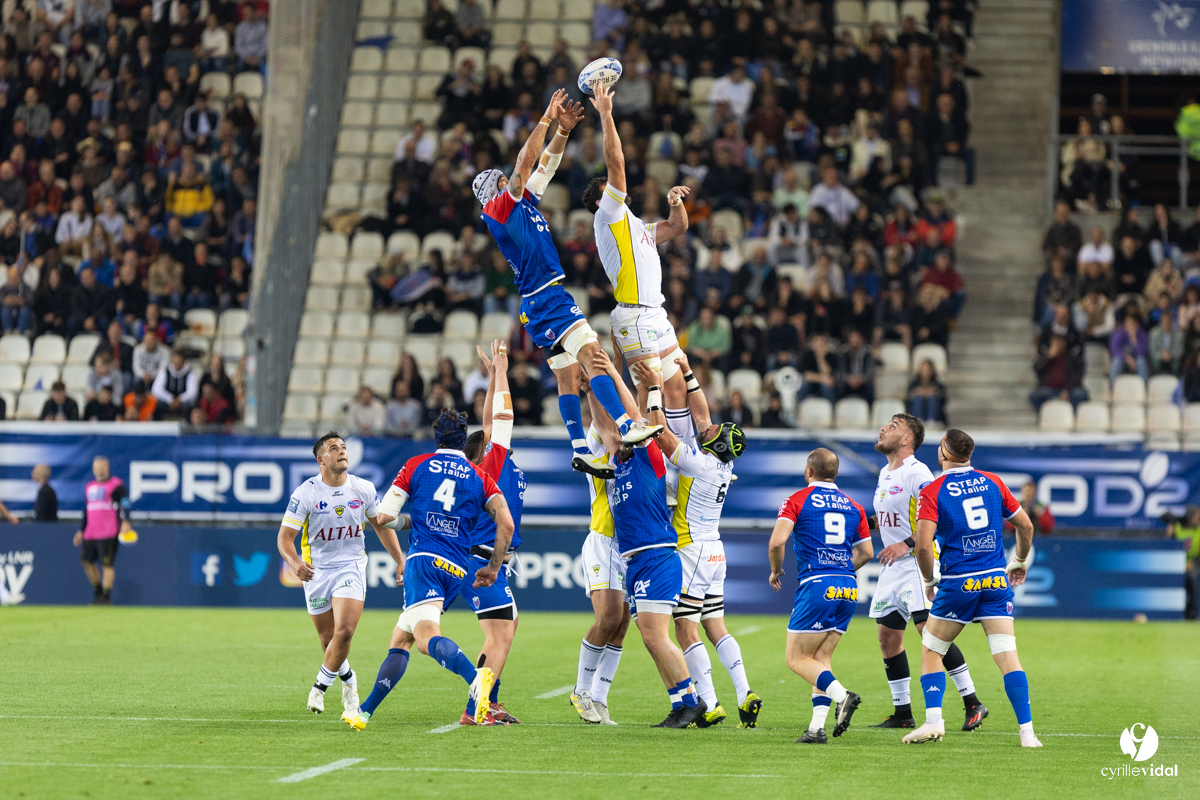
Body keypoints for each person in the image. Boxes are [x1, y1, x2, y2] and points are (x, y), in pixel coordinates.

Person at [474, 89, 660, 477]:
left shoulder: (519, 207)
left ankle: (579, 448)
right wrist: (545, 118)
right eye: (506, 179)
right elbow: (526, 162)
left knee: (568, 375)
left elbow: (544, 167)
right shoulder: (500, 208)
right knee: (595, 358)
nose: (513, 179)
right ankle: (627, 425)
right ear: (498, 187)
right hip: (549, 298)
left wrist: (562, 131)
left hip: (534, 305)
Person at [343, 410, 515, 731]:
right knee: (402, 638)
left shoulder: (416, 465)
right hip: (457, 567)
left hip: (423, 560)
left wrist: (415, 520)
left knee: (424, 639)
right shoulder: (479, 476)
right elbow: (506, 524)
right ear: (463, 440)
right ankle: (363, 712)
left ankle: (477, 680)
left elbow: (383, 517)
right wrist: (493, 568)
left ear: (435, 438)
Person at [632, 355, 763, 729]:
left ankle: (711, 702)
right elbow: (702, 415)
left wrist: (654, 388)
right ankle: (745, 693)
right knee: (716, 626)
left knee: (685, 629)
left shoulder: (697, 463)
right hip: (715, 550)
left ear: (717, 443)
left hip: (692, 550)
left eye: (715, 430)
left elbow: (660, 433)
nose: (708, 426)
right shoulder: (723, 462)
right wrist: (687, 372)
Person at [903, 429, 1042, 747]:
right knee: (1007, 656)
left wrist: (929, 580)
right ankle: (1027, 733)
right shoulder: (993, 482)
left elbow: (923, 547)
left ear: (943, 452)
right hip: (995, 580)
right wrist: (1019, 560)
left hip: (958, 582)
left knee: (931, 648)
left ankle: (933, 722)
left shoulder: (933, 490)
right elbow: (1025, 525)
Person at [583, 82, 693, 434]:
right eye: (609, 190)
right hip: (633, 315)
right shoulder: (607, 216)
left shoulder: (637, 227)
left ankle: (679, 454)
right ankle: (646, 455)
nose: (618, 189)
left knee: (676, 390)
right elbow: (616, 162)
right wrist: (605, 113)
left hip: (655, 313)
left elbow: (676, 227)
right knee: (649, 392)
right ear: (600, 202)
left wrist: (675, 203)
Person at [867, 414, 988, 731]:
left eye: (893, 426)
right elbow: (891, 518)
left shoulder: (917, 472)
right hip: (893, 566)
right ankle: (902, 713)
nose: (884, 428)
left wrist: (906, 543)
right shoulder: (885, 472)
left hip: (917, 562)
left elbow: (935, 514)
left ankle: (972, 702)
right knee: (887, 637)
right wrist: (864, 524)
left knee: (930, 633)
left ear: (907, 440)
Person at [277, 433, 407, 718]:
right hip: (316, 572)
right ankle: (349, 681)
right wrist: (295, 562)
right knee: (329, 641)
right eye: (334, 448)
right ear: (321, 460)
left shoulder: (363, 488)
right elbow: (285, 537)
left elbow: (381, 525)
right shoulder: (306, 493)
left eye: (344, 447)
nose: (342, 451)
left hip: (351, 566)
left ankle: (319, 688)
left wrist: (400, 559)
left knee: (345, 631)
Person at [768, 448, 874, 744]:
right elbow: (867, 552)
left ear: (809, 471)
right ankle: (816, 729)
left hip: (817, 584)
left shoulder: (797, 500)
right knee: (820, 658)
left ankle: (843, 696)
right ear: (836, 473)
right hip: (848, 585)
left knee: (797, 659)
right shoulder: (854, 506)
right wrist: (840, 571)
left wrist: (775, 570)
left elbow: (777, 542)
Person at [456, 340, 528, 725]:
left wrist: (493, 377)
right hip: (481, 560)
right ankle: (475, 709)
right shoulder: (489, 469)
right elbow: (495, 423)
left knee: (508, 625)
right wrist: (501, 373)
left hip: (490, 559)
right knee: (499, 635)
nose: (497, 437)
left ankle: (490, 701)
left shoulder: (500, 464)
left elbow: (488, 425)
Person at [570, 382, 635, 726]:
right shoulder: (598, 441)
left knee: (622, 624)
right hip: (603, 539)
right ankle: (580, 690)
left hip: (629, 545)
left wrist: (615, 365)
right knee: (608, 618)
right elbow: (601, 419)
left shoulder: (632, 439)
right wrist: (593, 387)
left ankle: (599, 697)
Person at [73, 456, 132, 605]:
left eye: (102, 467)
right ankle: (98, 591)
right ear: (93, 470)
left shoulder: (116, 485)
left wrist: (126, 521)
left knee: (106, 564)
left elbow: (125, 503)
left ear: (107, 468)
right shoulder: (90, 487)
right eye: (96, 467)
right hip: (90, 532)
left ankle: (105, 596)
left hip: (109, 531)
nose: (99, 470)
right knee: (86, 561)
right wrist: (81, 530)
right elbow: (87, 510)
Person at [1166, 506, 1199, 620]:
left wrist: (1193, 563)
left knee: (1192, 576)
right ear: (1190, 517)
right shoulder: (1178, 527)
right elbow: (1168, 546)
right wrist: (1169, 534)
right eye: (1197, 516)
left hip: (1194, 564)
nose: (1198, 519)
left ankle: (1193, 613)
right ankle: (1173, 612)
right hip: (1175, 564)